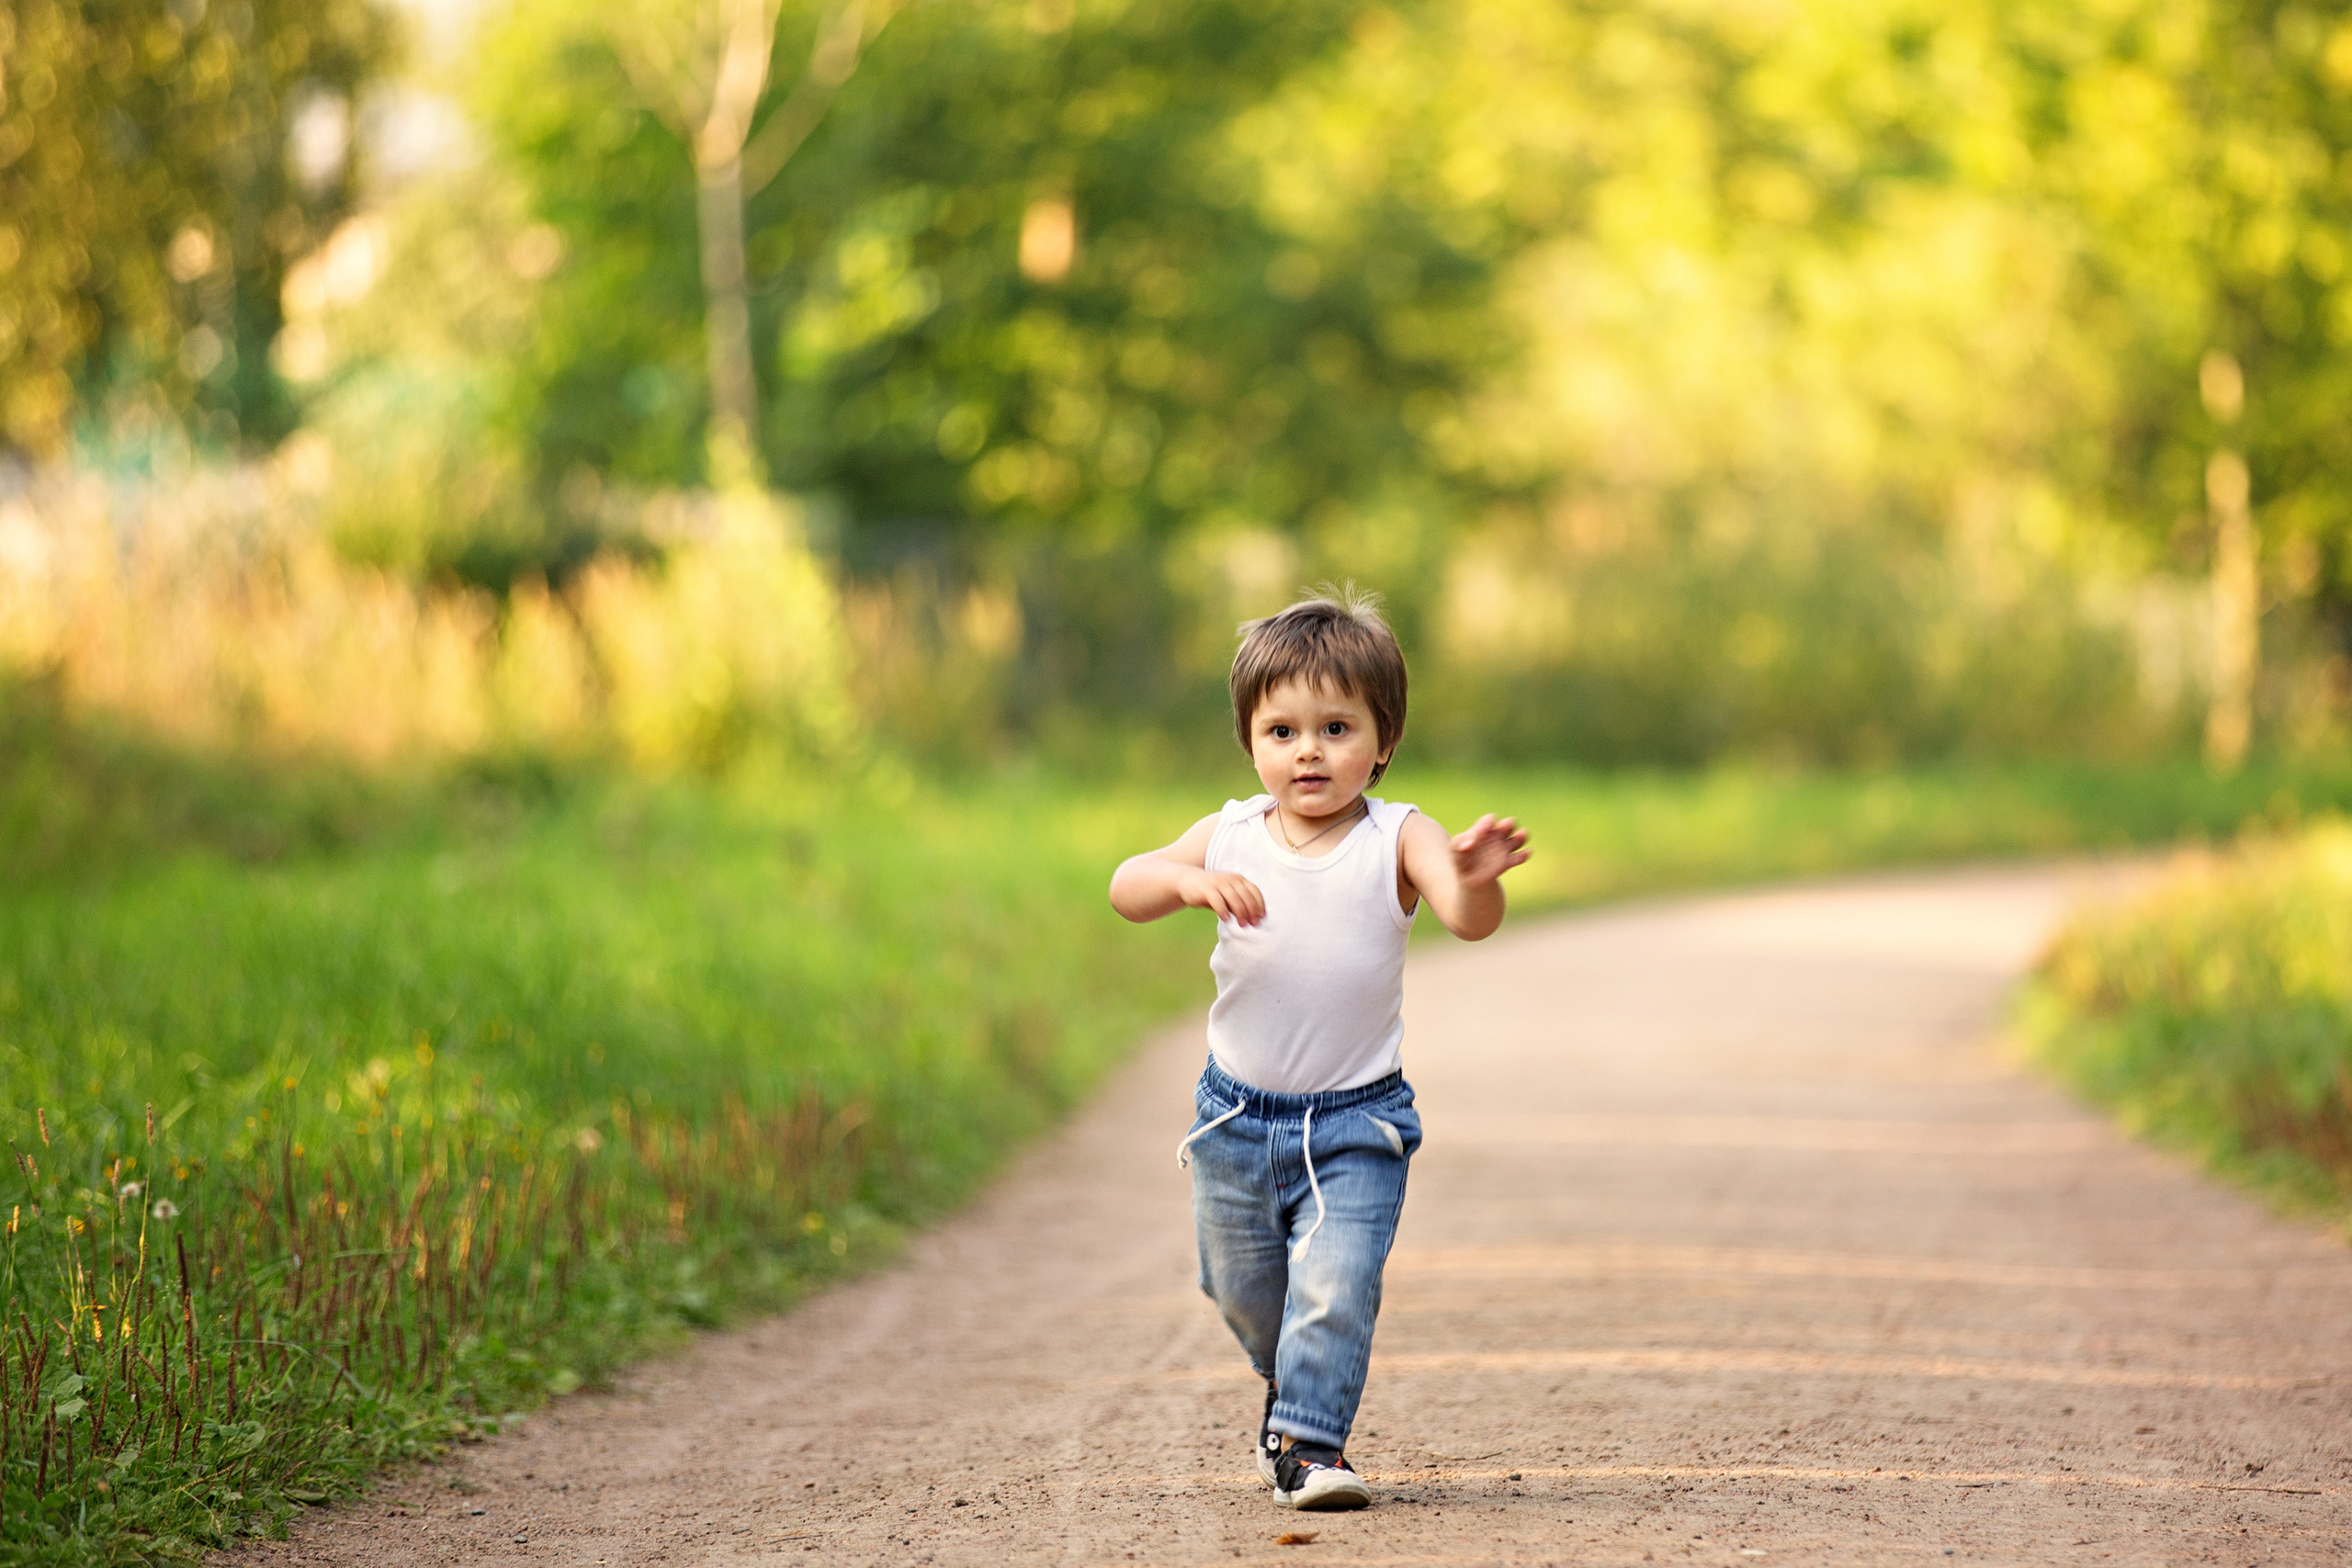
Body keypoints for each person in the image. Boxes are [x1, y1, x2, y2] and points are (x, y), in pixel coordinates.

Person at [1107, 589, 1530, 1511]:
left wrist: (1476, 881)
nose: (1307, 751)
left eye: (1335, 728)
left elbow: (1464, 920)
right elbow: (1124, 885)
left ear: (1382, 743)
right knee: (1241, 1290)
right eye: (1282, 730)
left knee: (1334, 1287)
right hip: (1232, 1119)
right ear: (1250, 741)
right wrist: (1185, 881)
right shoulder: (1228, 834)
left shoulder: (1398, 836)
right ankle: (1289, 1384)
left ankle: (1309, 1446)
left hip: (1356, 1122)